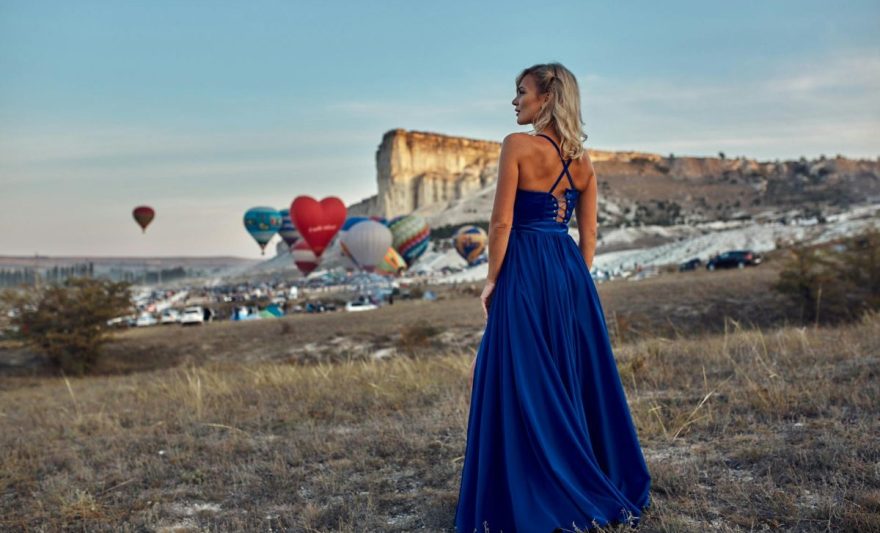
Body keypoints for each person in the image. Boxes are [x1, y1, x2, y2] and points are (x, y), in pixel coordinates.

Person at [454, 62, 652, 532]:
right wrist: (573, 284)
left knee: (518, 375)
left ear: (545, 98)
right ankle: (584, 473)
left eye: (521, 91)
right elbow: (589, 234)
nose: (515, 101)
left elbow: (500, 224)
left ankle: (529, 486)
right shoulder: (582, 163)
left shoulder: (516, 145)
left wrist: (491, 280)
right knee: (568, 374)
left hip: (523, 266)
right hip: (567, 270)